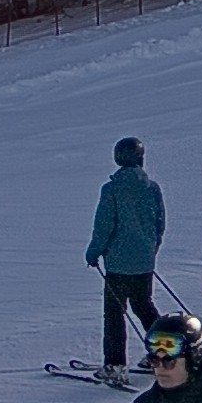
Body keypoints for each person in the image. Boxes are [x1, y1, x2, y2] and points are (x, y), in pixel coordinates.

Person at [84, 136, 163, 380]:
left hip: (118, 264)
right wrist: (150, 250)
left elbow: (104, 226)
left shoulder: (112, 190)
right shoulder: (152, 188)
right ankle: (164, 357)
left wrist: (94, 252)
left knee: (115, 314)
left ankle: (115, 365)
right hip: (144, 262)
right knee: (145, 307)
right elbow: (159, 225)